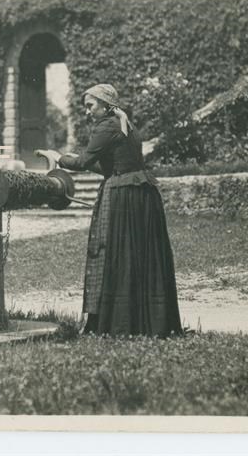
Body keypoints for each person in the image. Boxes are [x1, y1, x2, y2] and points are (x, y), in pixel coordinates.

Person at [51, 83, 183, 337]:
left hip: (123, 196)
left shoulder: (107, 126)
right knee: (136, 256)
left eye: (90, 105)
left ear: (105, 105)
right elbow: (108, 167)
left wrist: (57, 157)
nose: (87, 111)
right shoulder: (125, 124)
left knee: (115, 253)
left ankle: (119, 323)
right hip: (141, 195)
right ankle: (145, 322)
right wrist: (76, 161)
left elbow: (83, 162)